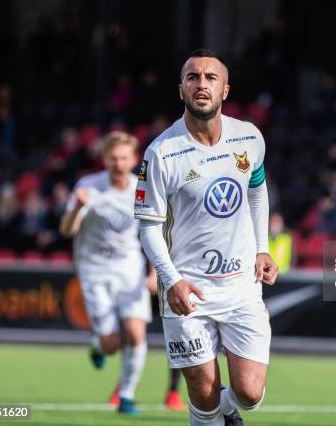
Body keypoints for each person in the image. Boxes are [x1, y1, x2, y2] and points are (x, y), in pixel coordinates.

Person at [134, 48, 278, 426]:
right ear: (181, 89)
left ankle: (230, 411)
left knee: (249, 394)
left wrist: (262, 249)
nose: (201, 84)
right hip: (188, 290)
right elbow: (148, 226)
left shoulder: (249, 138)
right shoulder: (161, 153)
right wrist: (172, 280)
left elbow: (257, 190)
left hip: (241, 285)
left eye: (210, 78)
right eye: (192, 77)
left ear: (225, 90)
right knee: (203, 392)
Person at [60, 131, 153, 415]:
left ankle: (126, 395)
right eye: (113, 158)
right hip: (94, 269)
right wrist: (77, 206)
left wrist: (153, 272)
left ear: (134, 159)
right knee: (112, 344)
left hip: (129, 268)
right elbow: (66, 231)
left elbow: (153, 231)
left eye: (124, 157)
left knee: (137, 333)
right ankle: (99, 346)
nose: (118, 163)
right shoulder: (88, 186)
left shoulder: (144, 187)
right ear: (104, 159)